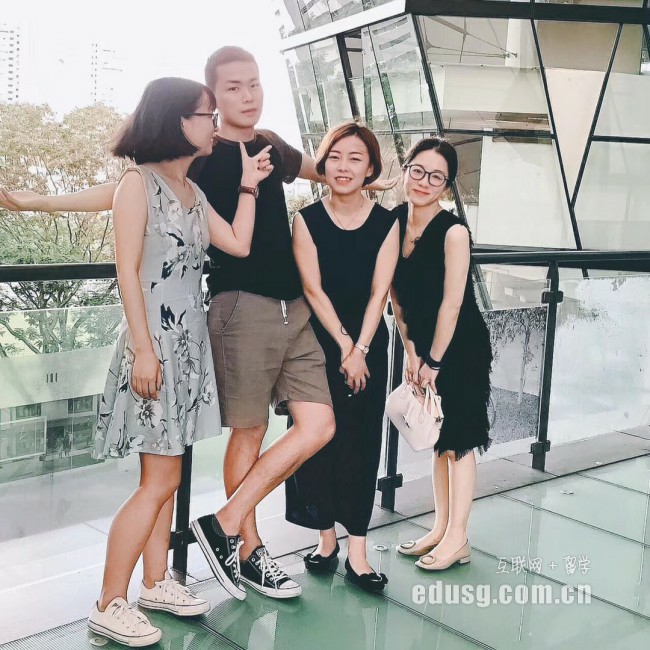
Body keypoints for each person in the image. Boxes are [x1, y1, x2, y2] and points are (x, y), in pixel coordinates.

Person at [0, 46, 396, 601]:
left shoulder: (270, 146)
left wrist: (364, 178)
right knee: (240, 436)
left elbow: (320, 167)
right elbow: (127, 193)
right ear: (209, 100)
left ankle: (216, 531)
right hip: (236, 308)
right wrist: (37, 202)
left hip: (292, 311)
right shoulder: (198, 156)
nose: (247, 95)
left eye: (254, 83)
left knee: (317, 425)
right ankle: (245, 554)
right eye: (231, 88)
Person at [86, 76, 272, 647]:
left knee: (166, 475)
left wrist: (248, 186)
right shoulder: (137, 184)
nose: (214, 126)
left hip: (186, 349)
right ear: (176, 122)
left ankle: (155, 581)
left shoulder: (190, 190)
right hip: (155, 348)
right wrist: (144, 350)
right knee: (160, 477)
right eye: (205, 116)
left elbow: (238, 244)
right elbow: (126, 272)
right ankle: (109, 602)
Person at [286, 122, 398, 593]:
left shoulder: (387, 222)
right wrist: (345, 346)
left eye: (355, 158)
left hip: (369, 344)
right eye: (335, 157)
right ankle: (325, 538)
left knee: (361, 442)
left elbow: (379, 293)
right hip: (314, 344)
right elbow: (312, 289)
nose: (344, 166)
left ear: (370, 168)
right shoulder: (306, 220)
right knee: (316, 441)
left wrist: (361, 349)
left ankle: (358, 552)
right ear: (323, 164)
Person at [391, 137, 492, 571]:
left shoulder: (454, 232)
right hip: (422, 348)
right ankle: (440, 528)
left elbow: (453, 305)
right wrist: (411, 352)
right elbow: (395, 296)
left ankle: (458, 538)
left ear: (447, 186)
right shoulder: (394, 223)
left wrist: (432, 361)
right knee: (438, 441)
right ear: (406, 170)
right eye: (418, 171)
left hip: (460, 347)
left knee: (459, 442)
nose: (424, 182)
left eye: (436, 177)